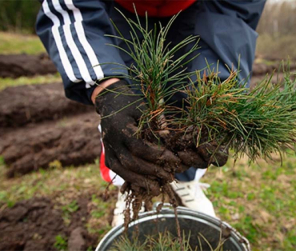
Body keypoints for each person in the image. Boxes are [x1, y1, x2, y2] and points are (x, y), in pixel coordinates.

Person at [36, 0, 265, 227]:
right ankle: (132, 187)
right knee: (125, 113)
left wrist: (217, 88)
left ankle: (183, 182)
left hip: (196, 7)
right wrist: (106, 86)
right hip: (117, 7)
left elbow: (233, 12)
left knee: (191, 105)